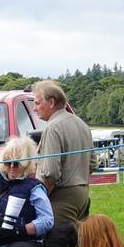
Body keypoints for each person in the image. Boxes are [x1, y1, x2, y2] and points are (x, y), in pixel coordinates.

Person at [32, 80, 97, 227]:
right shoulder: (82, 124)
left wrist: (39, 199)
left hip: (61, 197)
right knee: (77, 238)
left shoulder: (53, 128)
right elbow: (93, 163)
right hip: (83, 195)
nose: (34, 108)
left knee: (57, 240)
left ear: (51, 102)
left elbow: (51, 173)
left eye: (37, 103)